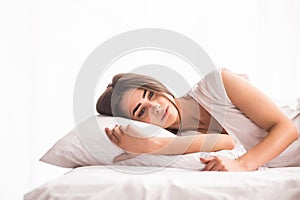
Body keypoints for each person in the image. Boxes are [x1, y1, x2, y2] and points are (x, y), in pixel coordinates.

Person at [96, 68, 300, 171]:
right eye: (141, 112)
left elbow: (287, 129)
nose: (155, 106)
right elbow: (227, 142)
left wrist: (242, 165)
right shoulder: (185, 138)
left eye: (150, 94)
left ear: (158, 86)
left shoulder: (217, 84)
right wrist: (149, 145)